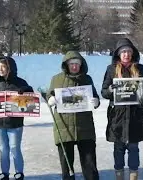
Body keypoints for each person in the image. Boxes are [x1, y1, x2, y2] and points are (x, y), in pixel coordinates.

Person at [46, 51, 100, 180]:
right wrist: (50, 99)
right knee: (67, 166)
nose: (74, 67)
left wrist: (96, 101)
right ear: (66, 65)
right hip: (64, 126)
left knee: (89, 164)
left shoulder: (87, 79)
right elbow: (49, 94)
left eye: (77, 64)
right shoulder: (56, 79)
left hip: (84, 127)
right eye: (71, 64)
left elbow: (95, 96)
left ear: (81, 65)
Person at [101, 38, 143, 180]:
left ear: (132, 53)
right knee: (118, 149)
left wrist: (142, 100)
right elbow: (104, 92)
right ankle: (119, 176)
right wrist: (110, 90)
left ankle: (134, 176)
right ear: (118, 54)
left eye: (128, 51)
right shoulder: (111, 70)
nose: (126, 54)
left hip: (134, 116)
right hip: (117, 117)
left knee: (134, 148)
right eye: (123, 52)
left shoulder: (140, 69)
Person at [0, 56, 33, 180]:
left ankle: (19, 172)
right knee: (3, 148)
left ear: (9, 67)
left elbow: (32, 99)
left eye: (3, 66)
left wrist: (27, 91)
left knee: (14, 147)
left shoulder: (20, 82)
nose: (0, 69)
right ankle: (4, 172)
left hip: (15, 123)